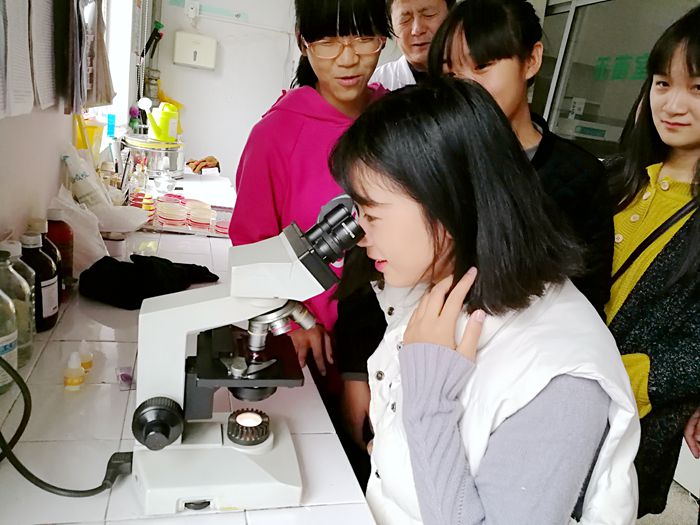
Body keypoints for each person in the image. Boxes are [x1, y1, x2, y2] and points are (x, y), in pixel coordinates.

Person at [330, 76, 639, 525]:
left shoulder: (560, 379)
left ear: (447, 201)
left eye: (372, 214)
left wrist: (428, 404)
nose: (360, 235)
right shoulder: (443, 288)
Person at [228, 0, 389, 377]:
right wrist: (290, 323)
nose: (348, 59)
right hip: (315, 347)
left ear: (382, 38)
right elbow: (251, 249)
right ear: (303, 43)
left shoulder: (397, 119)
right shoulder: (275, 135)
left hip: (387, 341)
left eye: (364, 39)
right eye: (328, 42)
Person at [429, 0, 614, 318]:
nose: (465, 86)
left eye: (481, 66)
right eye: (451, 73)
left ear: (531, 60)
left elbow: (588, 296)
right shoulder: (433, 159)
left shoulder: (580, 175)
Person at [605, 6, 700, 517]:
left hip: (632, 425)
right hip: (553, 392)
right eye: (663, 83)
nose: (673, 104)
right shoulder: (617, 179)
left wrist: (622, 380)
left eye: (698, 88)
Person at [369, 0, 454, 90]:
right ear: (392, 28)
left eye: (429, 14)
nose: (417, 30)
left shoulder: (465, 76)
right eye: (404, 20)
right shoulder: (374, 87)